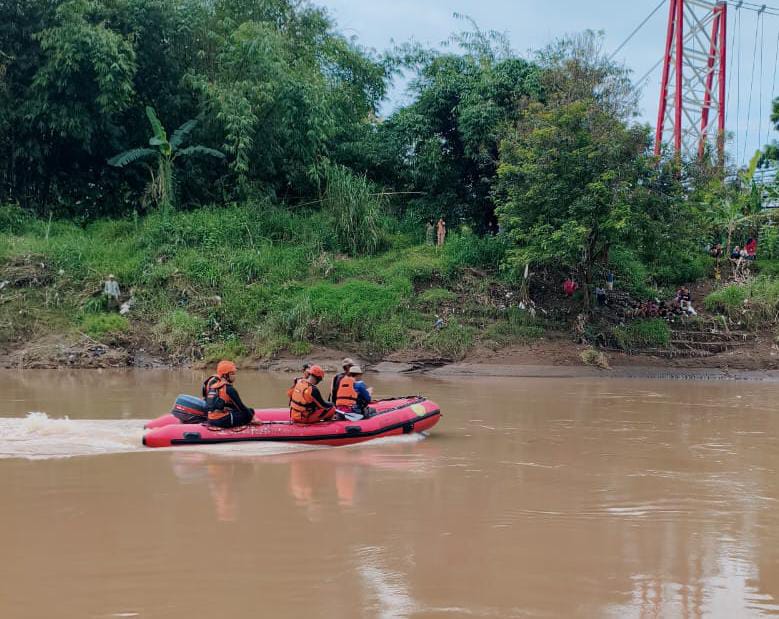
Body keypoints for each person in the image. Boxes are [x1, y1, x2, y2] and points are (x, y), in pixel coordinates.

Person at [205, 360, 255, 428]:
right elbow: (241, 407)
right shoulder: (229, 389)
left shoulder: (213, 387)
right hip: (221, 421)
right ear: (225, 375)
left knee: (245, 411)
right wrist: (252, 417)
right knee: (250, 412)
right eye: (232, 374)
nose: (235, 376)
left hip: (210, 419)